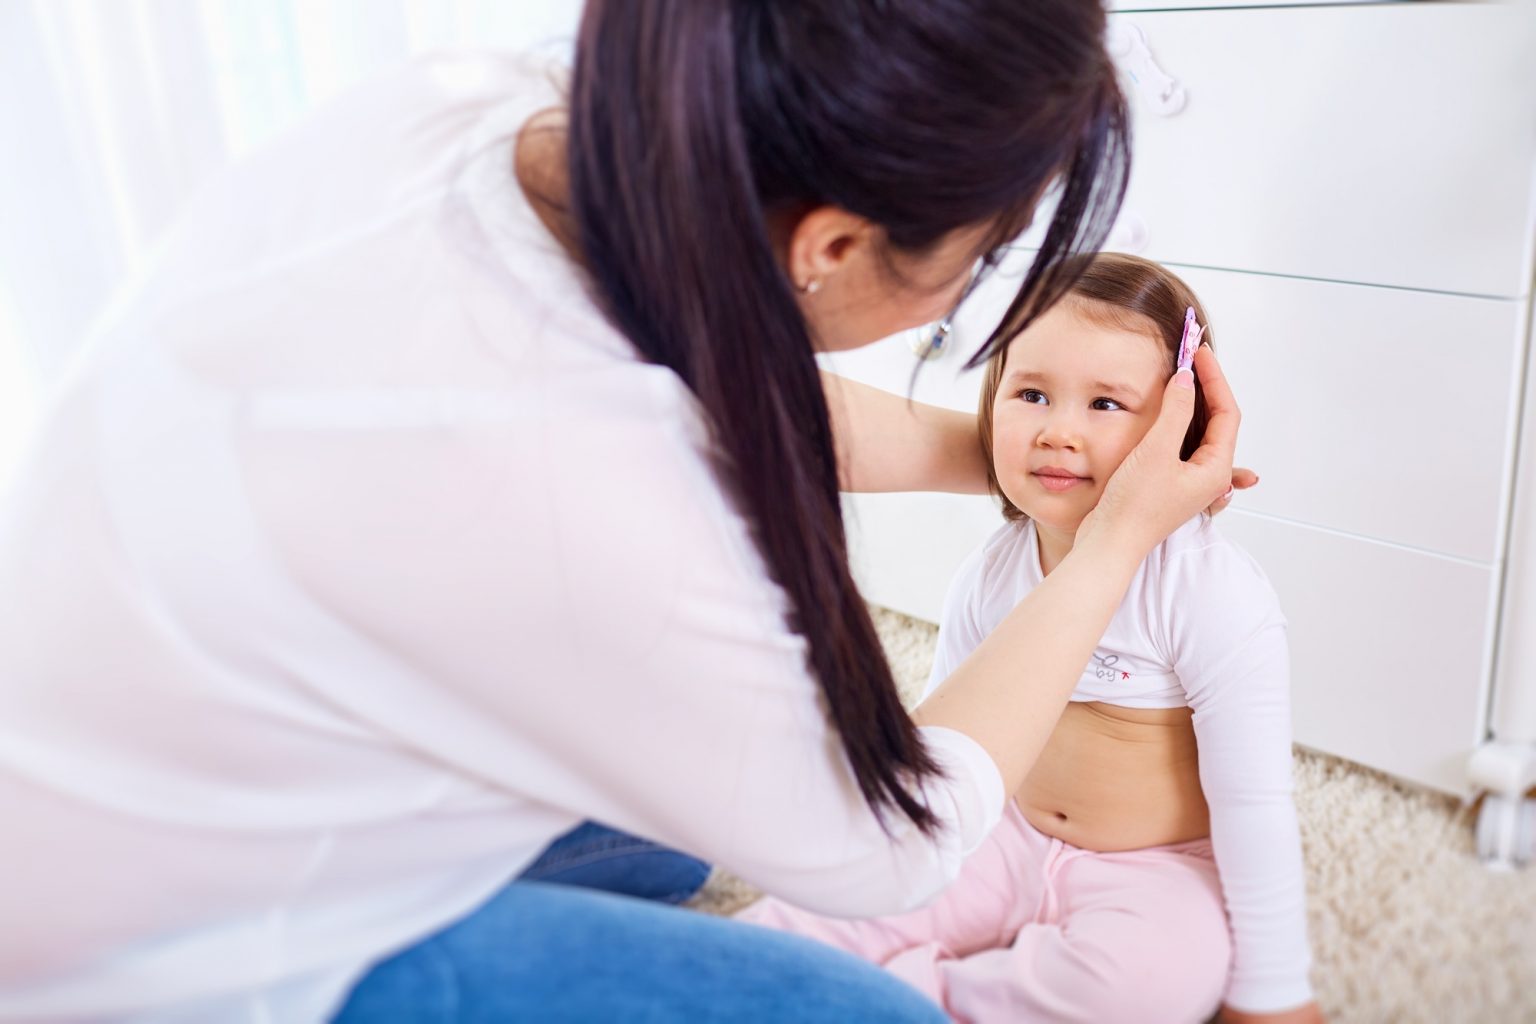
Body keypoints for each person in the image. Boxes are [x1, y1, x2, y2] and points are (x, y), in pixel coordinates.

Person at [0, 3, 1249, 1021]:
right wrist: (1115, 540)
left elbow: (739, 385)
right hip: (146, 960)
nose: (961, 305)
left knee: (661, 846)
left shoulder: (490, 113)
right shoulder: (576, 501)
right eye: (976, 266)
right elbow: (896, 838)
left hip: (115, 748)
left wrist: (1021, 458)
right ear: (829, 244)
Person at [738, 254, 1321, 1024]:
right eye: (1032, 393)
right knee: (814, 909)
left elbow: (1253, 805)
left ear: (1184, 432)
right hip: (1001, 833)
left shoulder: (1211, 593)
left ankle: (934, 997)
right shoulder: (992, 571)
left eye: (1107, 404)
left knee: (1152, 981)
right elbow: (943, 747)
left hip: (1152, 866)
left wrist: (1273, 995)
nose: (1057, 430)